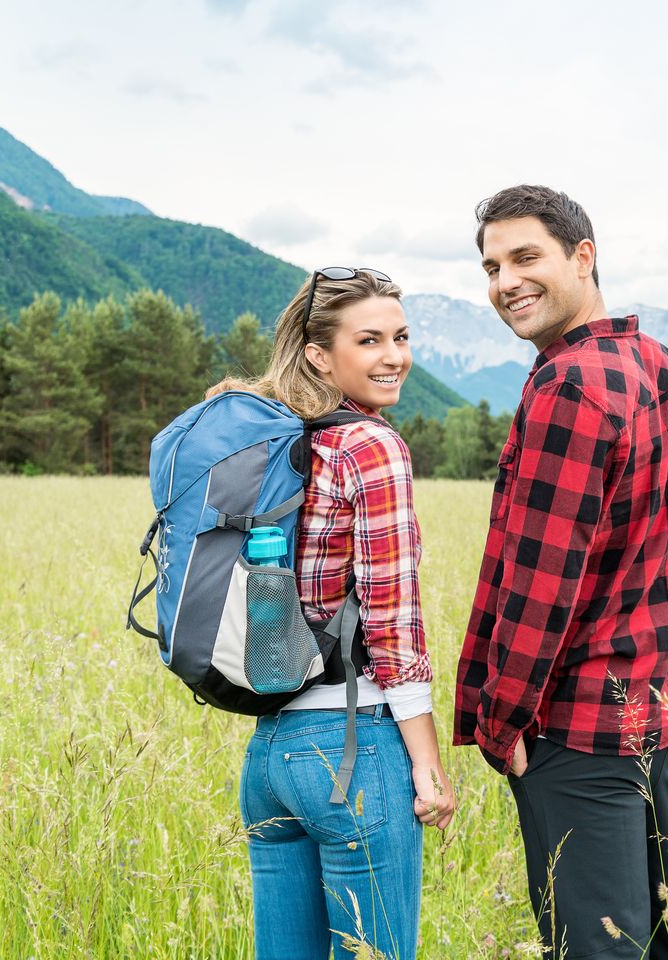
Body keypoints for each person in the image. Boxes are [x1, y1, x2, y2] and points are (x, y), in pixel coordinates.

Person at [453, 186, 668, 959]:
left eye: (526, 257)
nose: (505, 283)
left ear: (583, 257)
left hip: (578, 731)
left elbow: (540, 583)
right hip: (665, 714)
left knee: (598, 947)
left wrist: (500, 719)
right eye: (492, 266)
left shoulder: (566, 386)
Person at [213, 267, 455, 960]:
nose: (393, 356)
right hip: (352, 750)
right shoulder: (370, 446)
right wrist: (428, 767)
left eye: (401, 337)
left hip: (269, 758)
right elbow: (391, 619)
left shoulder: (274, 440)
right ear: (321, 354)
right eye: (370, 340)